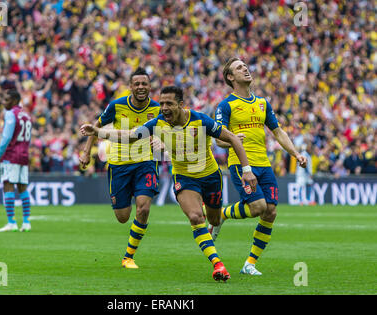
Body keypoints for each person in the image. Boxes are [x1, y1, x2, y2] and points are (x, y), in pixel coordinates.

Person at [80, 85, 258, 282]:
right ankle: (218, 264)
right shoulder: (157, 123)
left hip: (210, 176)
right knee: (195, 216)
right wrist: (98, 131)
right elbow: (130, 136)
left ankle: (219, 219)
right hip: (184, 178)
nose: (163, 107)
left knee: (214, 220)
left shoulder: (200, 120)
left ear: (180, 105)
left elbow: (232, 138)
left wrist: (247, 170)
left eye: (169, 104)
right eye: (162, 103)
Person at [209, 57, 307, 275]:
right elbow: (219, 140)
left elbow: (278, 132)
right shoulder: (226, 105)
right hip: (241, 165)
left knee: (270, 212)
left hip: (264, 164)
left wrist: (295, 153)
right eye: (239, 68)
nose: (245, 68)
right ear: (230, 77)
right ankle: (222, 214)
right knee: (258, 207)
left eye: (245, 65)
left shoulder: (262, 103)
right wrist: (233, 139)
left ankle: (249, 263)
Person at [79, 67, 161, 269]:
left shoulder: (159, 109)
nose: (141, 87)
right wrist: (86, 152)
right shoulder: (116, 106)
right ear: (131, 87)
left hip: (145, 163)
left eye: (144, 84)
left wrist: (160, 140)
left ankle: (128, 257)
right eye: (137, 84)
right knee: (123, 217)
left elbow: (167, 131)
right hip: (119, 166)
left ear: (149, 86)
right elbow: (95, 128)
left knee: (144, 207)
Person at [0, 88, 33, 232]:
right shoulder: (26, 115)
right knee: (23, 187)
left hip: (11, 155)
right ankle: (27, 222)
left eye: (7, 100)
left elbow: (6, 138)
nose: (4, 103)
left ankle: (12, 222)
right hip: (24, 155)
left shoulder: (10, 114)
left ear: (15, 101)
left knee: (8, 186)